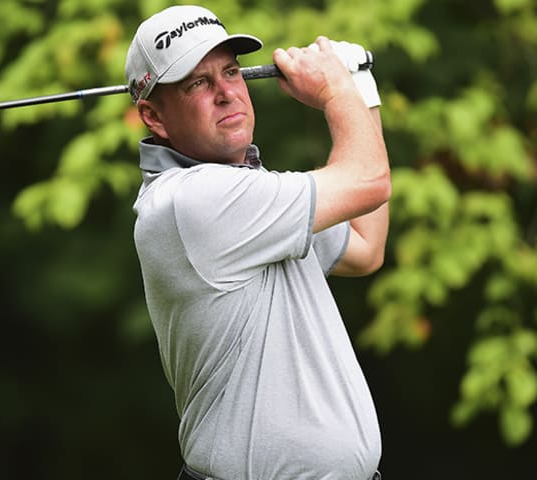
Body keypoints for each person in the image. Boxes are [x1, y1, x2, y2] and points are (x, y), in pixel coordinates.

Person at [126, 5, 390, 480]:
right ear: (154, 116)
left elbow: (365, 244)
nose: (227, 92)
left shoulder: (253, 193)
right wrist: (336, 90)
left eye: (230, 71)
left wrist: (361, 91)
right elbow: (369, 181)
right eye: (198, 83)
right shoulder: (191, 202)